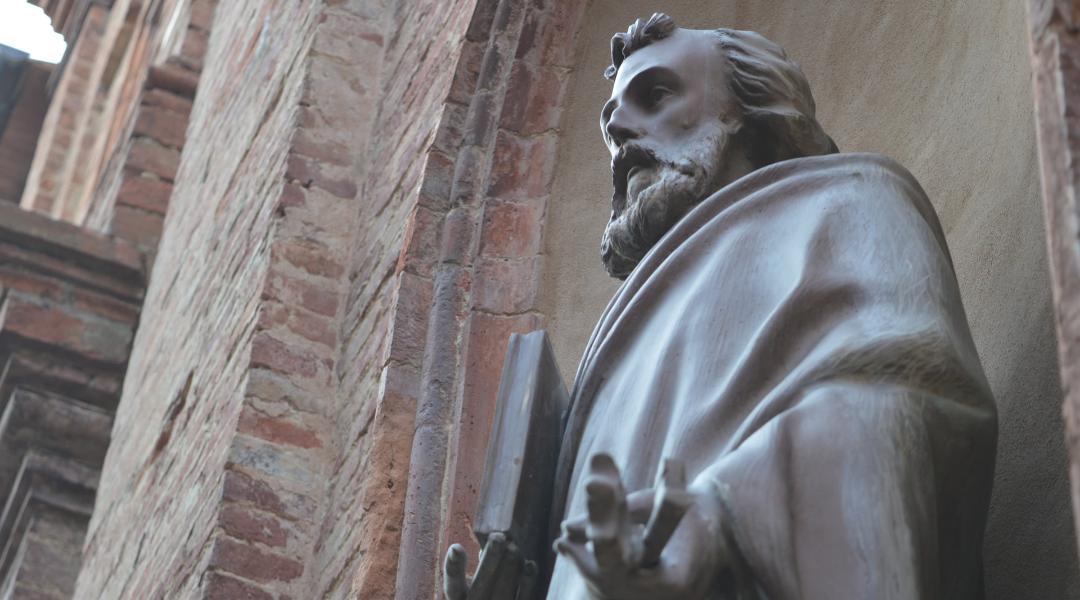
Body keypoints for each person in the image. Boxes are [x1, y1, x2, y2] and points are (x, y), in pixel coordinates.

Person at [448, 14, 996, 599]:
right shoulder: (604, 360)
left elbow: (906, 409)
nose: (622, 135)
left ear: (742, 111)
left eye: (656, 94)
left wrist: (718, 518)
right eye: (610, 126)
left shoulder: (845, 205)